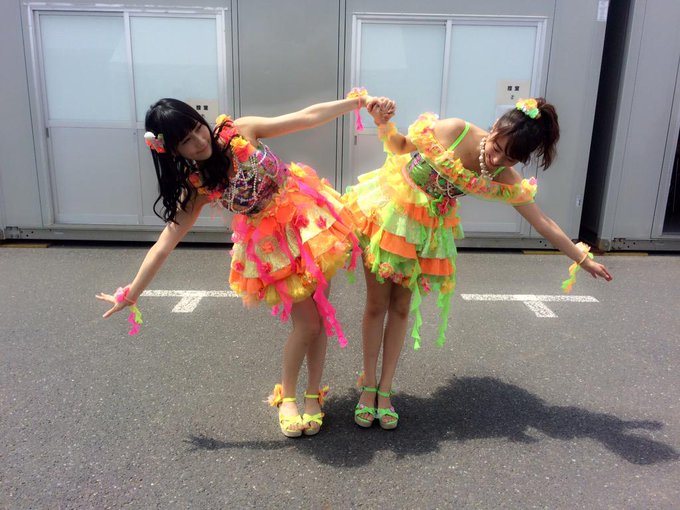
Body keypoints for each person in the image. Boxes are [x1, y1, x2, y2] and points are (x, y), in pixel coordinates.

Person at [96, 93, 376, 437]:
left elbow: (305, 116)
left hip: (310, 224)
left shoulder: (242, 130)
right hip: (275, 247)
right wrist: (131, 293)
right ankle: (287, 398)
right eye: (186, 141)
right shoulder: (198, 186)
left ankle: (312, 395)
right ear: (173, 151)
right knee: (306, 325)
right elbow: (164, 245)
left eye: (197, 129)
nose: (200, 141)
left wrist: (355, 103)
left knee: (318, 318)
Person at [343, 97, 613, 430]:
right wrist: (383, 123)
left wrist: (582, 258)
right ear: (495, 126)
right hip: (391, 215)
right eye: (497, 146)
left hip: (424, 232)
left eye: (509, 158)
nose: (497, 159)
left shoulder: (506, 176)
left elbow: (542, 221)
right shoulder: (454, 130)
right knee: (376, 305)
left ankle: (385, 391)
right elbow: (400, 146)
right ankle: (368, 387)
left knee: (400, 308)